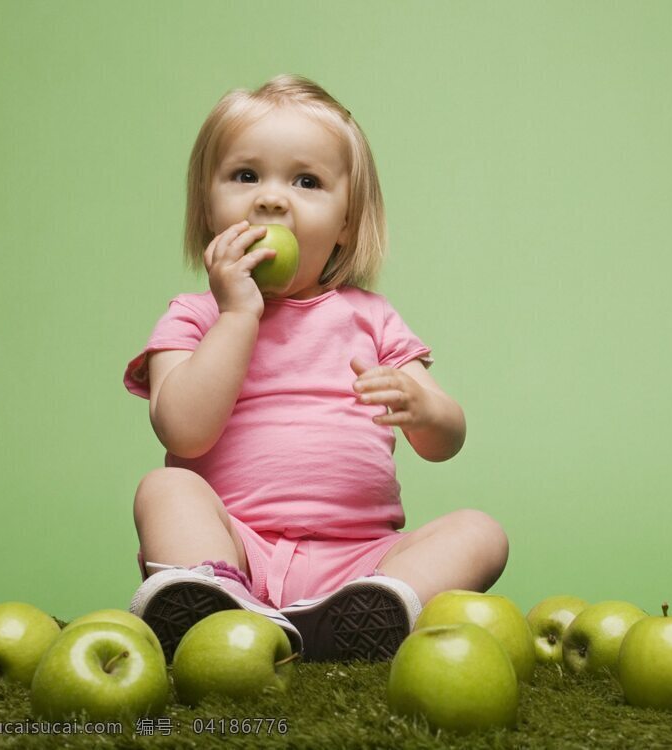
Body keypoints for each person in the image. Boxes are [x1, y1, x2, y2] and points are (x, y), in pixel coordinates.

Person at [123, 74, 507, 662]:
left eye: (307, 181)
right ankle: (215, 603)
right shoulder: (195, 317)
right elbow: (183, 431)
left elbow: (445, 440)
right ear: (207, 206)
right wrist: (237, 315)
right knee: (165, 487)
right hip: (235, 548)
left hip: (363, 559)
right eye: (245, 175)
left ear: (347, 223)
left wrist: (422, 406)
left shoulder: (371, 318)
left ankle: (378, 607)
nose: (272, 199)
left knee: (482, 532)